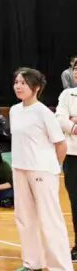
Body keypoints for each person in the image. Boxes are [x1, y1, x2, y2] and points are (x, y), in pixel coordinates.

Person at [8, 68, 73, 271]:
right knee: (24, 218)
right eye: (16, 82)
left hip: (42, 171)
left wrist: (53, 168)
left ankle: (62, 270)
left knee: (50, 219)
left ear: (36, 87)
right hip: (19, 169)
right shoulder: (15, 111)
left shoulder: (44, 112)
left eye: (23, 83)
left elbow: (61, 144)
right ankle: (32, 263)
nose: (18, 86)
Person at [56, 80, 77, 260]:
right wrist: (73, 126)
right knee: (75, 202)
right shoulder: (67, 94)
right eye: (75, 68)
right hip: (72, 155)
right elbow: (60, 119)